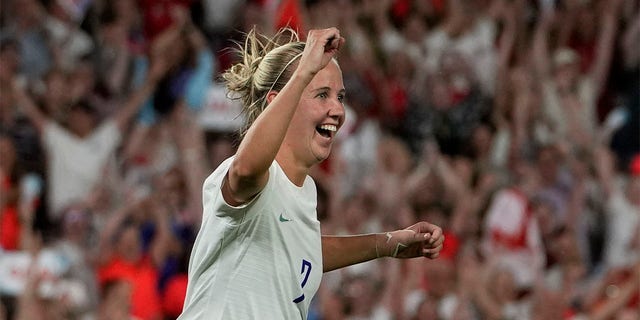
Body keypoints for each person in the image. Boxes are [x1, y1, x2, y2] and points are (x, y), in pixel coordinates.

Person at [179, 27, 445, 319]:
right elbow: (245, 170)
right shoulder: (249, 174)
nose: (338, 110)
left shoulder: (305, 192)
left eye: (340, 97)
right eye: (322, 95)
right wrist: (304, 70)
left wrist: (388, 243)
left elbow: (301, 250)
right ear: (278, 102)